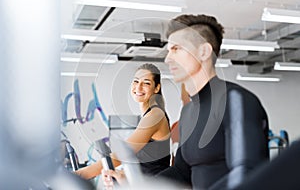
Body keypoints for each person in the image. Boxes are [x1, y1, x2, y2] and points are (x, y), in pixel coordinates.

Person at [157, 14, 270, 190]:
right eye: (168, 51)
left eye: (176, 49)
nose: (167, 58)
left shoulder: (235, 101)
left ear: (204, 51)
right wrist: (135, 182)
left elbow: (247, 174)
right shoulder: (187, 112)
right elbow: (181, 172)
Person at [76, 63, 171, 180]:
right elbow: (145, 164)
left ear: (156, 88)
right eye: (136, 81)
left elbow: (125, 154)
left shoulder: (155, 116)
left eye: (146, 83)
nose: (139, 87)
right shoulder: (149, 115)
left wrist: (80, 174)